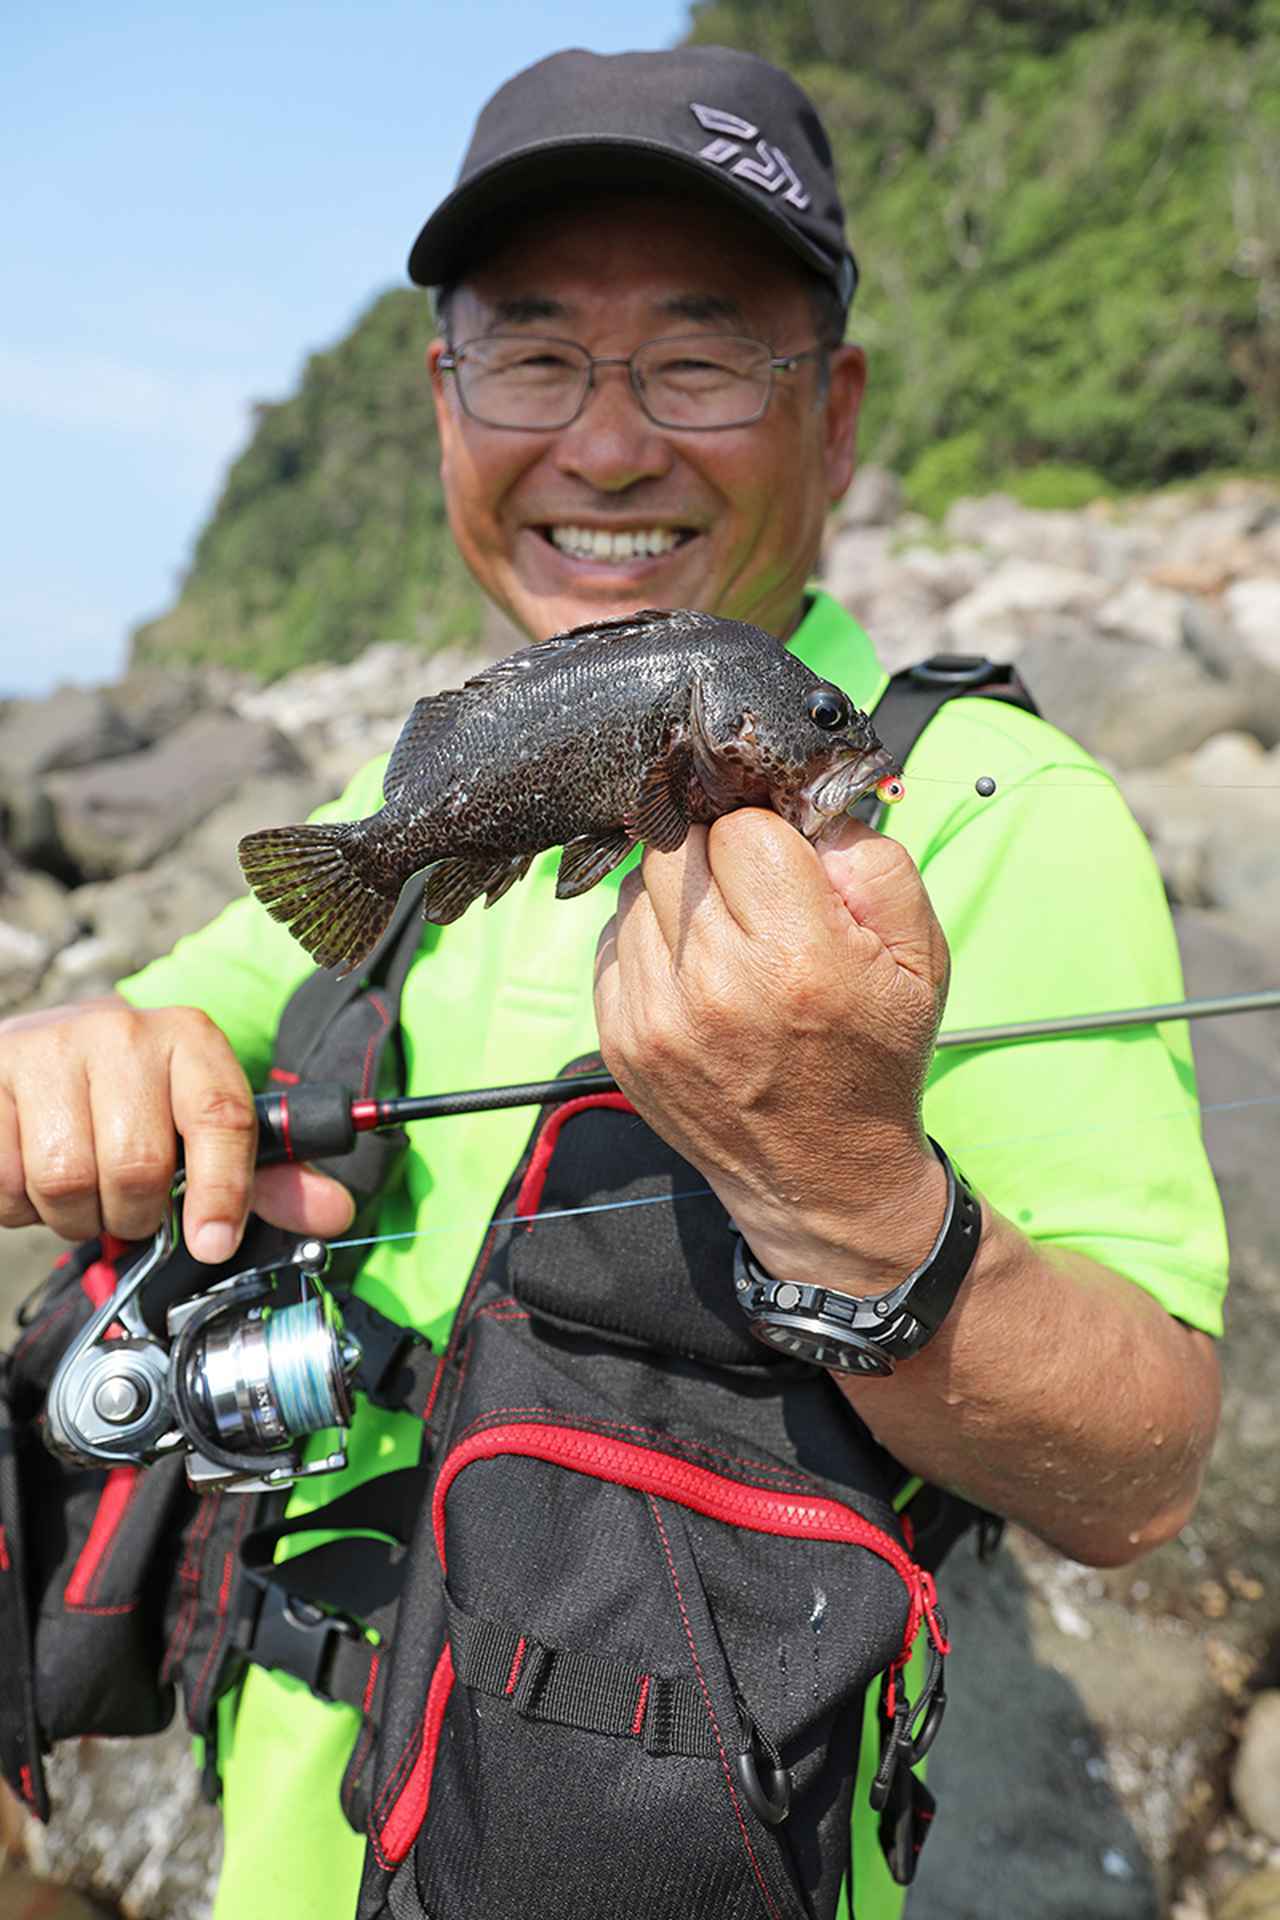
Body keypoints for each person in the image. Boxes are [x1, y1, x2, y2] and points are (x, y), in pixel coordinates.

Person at [0, 42, 1227, 1920]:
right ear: (444, 402)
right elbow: (164, 1020)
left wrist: (848, 1197)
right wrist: (92, 1064)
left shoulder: (991, 811)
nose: (606, 441)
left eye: (702, 355)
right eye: (537, 355)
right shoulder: (386, 818)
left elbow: (1141, 1472)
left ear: (836, 413)